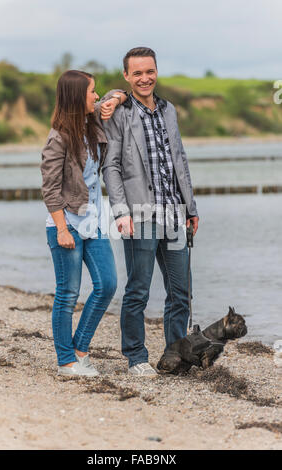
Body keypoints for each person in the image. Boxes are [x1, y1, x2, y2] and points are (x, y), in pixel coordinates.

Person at [102, 47, 199, 376]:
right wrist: (120, 212)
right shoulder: (119, 112)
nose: (145, 78)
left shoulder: (169, 110)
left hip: (174, 215)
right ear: (127, 76)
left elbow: (180, 160)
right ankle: (136, 358)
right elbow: (110, 167)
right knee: (139, 290)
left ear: (157, 72)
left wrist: (191, 207)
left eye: (150, 71)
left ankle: (175, 356)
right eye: (137, 73)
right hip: (139, 216)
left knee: (180, 292)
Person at [41, 70, 126, 376]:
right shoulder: (58, 138)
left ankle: (80, 349)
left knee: (107, 284)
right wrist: (62, 229)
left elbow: (120, 92)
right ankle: (66, 362)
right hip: (67, 223)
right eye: (92, 92)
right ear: (78, 96)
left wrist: (114, 99)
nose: (96, 95)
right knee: (68, 293)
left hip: (94, 220)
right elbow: (49, 189)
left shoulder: (92, 126)